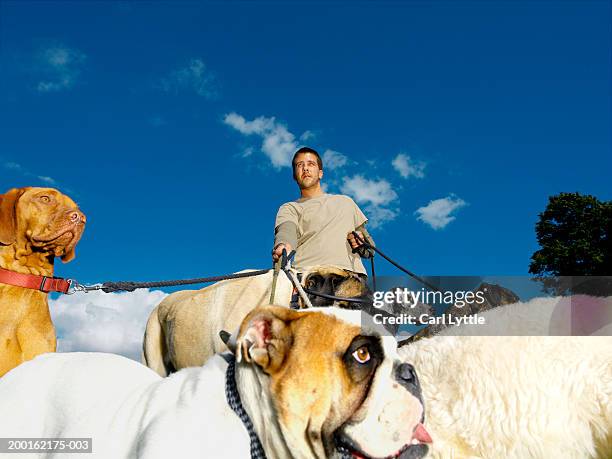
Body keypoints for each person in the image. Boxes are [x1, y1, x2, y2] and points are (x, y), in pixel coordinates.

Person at [272, 147, 375, 277]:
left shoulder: (346, 202)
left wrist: (362, 243)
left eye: (311, 164)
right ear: (294, 175)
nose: (305, 168)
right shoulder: (290, 207)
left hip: (351, 277)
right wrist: (283, 246)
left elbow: (370, 247)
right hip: (309, 277)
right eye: (300, 165)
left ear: (320, 173)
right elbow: (287, 231)